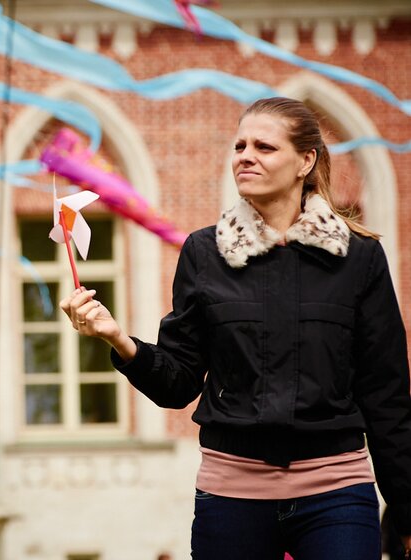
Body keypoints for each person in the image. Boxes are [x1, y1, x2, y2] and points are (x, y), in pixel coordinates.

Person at [60, 97, 411, 560]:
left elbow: (386, 394)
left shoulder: (360, 258)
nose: (245, 155)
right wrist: (118, 339)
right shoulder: (204, 253)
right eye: (240, 145)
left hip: (337, 494)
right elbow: (178, 382)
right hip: (231, 498)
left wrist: (406, 509)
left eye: (264, 147)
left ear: (306, 160)